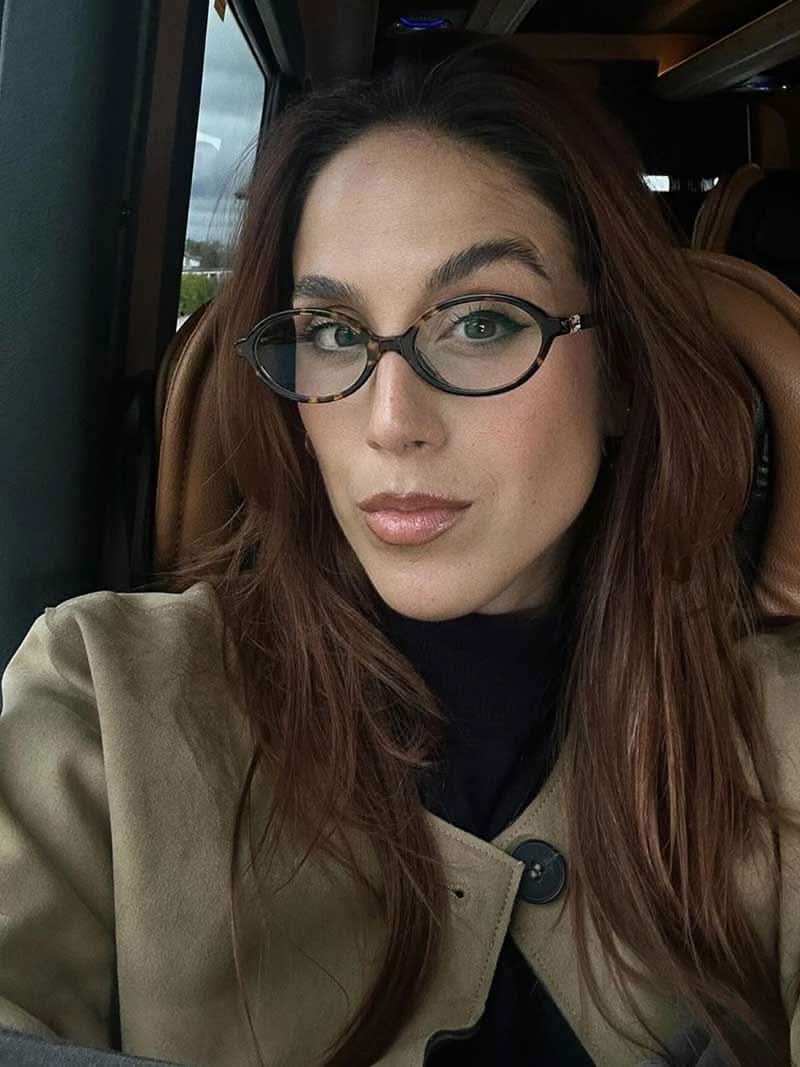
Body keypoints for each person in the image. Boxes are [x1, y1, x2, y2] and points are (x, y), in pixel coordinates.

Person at [1, 36, 799, 1067]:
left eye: (480, 321)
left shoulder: (777, 734)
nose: (390, 423)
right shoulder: (98, 703)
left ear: (620, 374)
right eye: (334, 333)